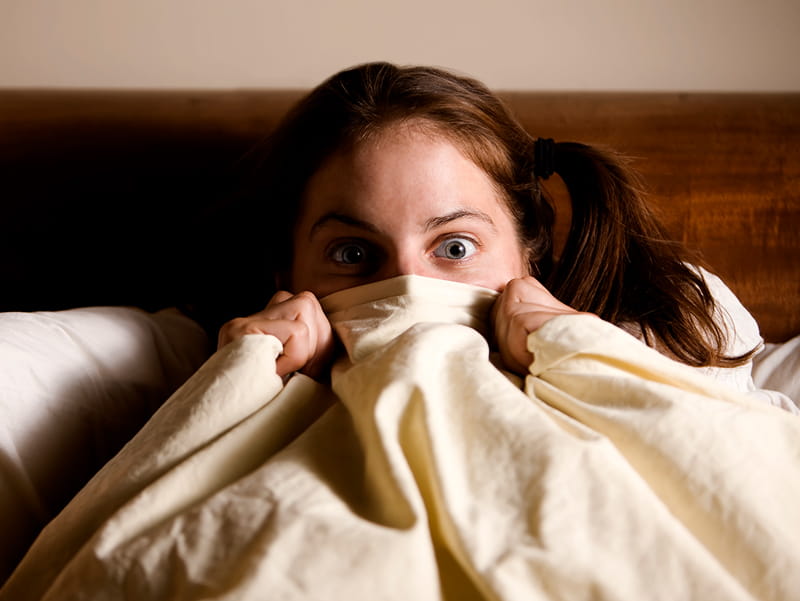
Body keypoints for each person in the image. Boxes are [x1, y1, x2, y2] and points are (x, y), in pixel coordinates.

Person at [218, 61, 765, 396]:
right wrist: (250, 382)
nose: (409, 285)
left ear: (531, 249)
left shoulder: (671, 326)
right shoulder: (236, 353)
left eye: (455, 247)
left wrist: (578, 356)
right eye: (352, 255)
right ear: (286, 266)